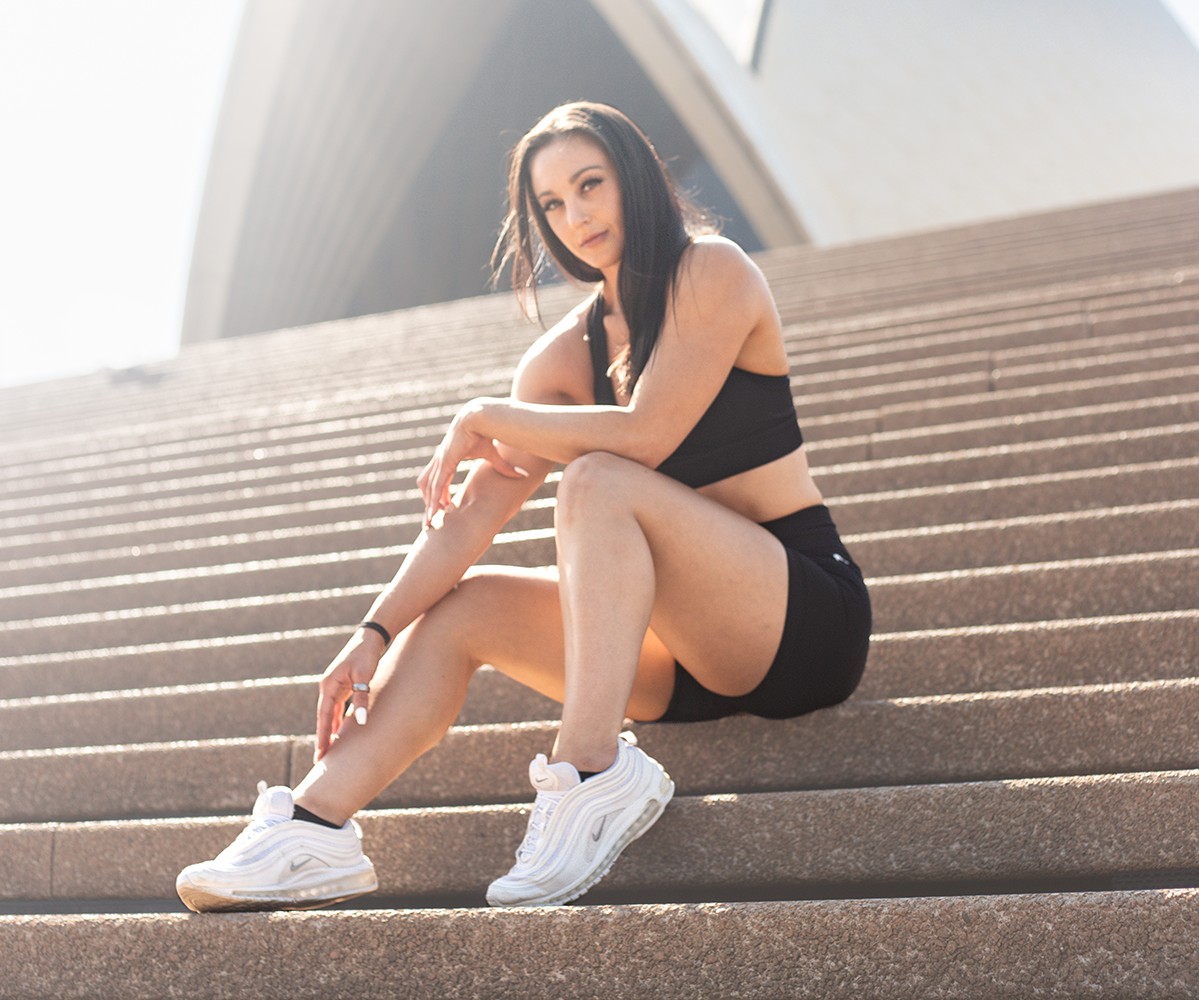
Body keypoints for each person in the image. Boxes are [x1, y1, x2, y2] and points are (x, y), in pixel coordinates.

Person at [176, 101, 871, 913]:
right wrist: (372, 634)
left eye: (589, 185)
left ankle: (587, 772)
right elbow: (470, 521)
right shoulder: (561, 360)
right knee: (464, 607)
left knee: (597, 479)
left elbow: (644, 436)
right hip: (683, 657)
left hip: (800, 619)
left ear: (635, 180)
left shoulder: (712, 272)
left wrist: (483, 414)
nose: (574, 217)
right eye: (551, 204)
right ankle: (311, 828)